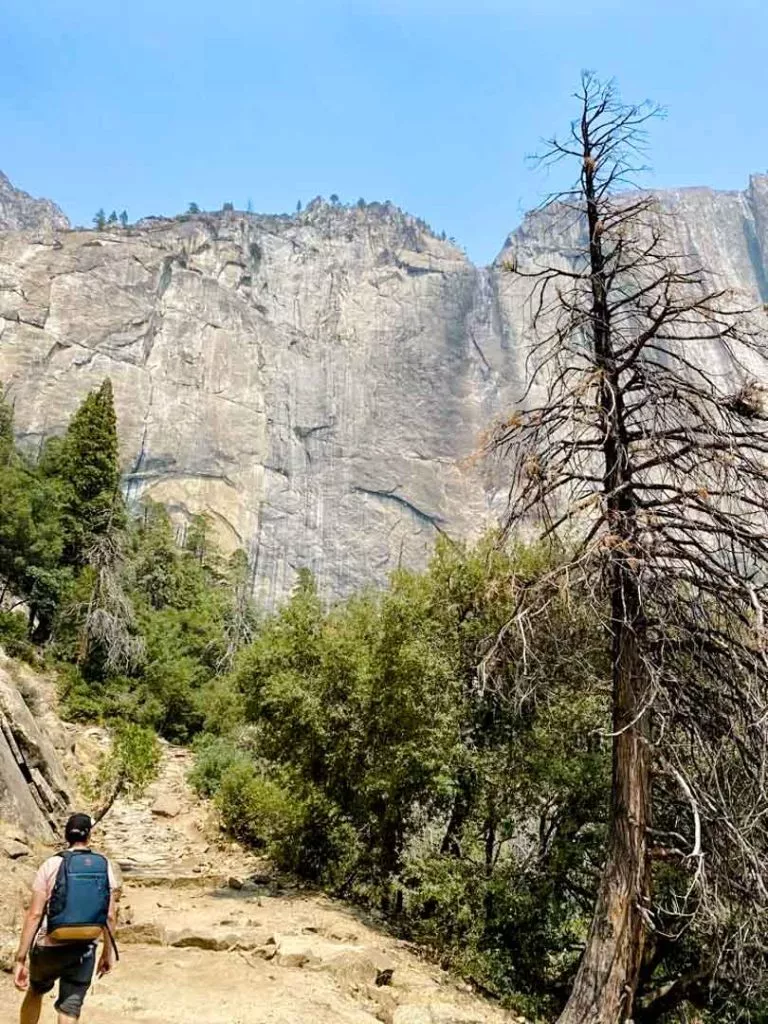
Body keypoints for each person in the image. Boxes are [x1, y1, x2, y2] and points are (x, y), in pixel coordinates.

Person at [13, 813, 120, 1024]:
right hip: (84, 947)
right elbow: (109, 915)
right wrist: (107, 952)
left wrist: (20, 958)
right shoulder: (103, 865)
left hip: (48, 945)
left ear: (66, 835)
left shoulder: (51, 864)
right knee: (70, 1008)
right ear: (89, 836)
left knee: (35, 991)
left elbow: (35, 914)